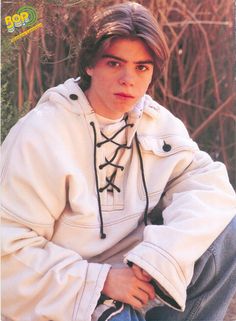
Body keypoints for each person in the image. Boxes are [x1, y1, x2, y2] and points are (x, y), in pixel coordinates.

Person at [1, 2, 236, 321]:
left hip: (136, 274)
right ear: (89, 65)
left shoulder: (155, 123)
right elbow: (9, 248)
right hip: (69, 291)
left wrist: (160, 255)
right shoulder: (40, 134)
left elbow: (208, 186)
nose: (129, 79)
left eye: (142, 67)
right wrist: (100, 281)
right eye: (114, 63)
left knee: (227, 232)